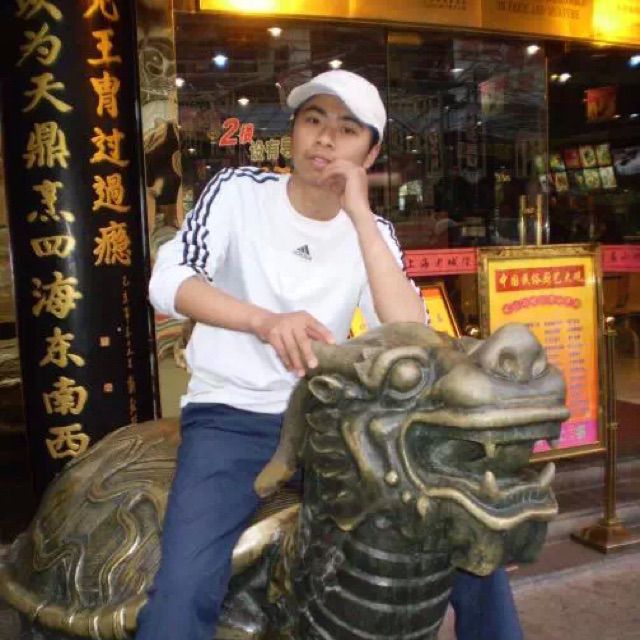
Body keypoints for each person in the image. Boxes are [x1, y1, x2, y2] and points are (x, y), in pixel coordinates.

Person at [139, 69, 522, 640]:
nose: (324, 138)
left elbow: (408, 329)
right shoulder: (238, 192)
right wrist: (264, 321)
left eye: (346, 129)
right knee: (186, 582)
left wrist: (360, 214)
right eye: (313, 120)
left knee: (463, 529)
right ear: (293, 130)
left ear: (371, 152)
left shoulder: (374, 231)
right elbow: (169, 282)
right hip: (233, 416)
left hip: (333, 421)